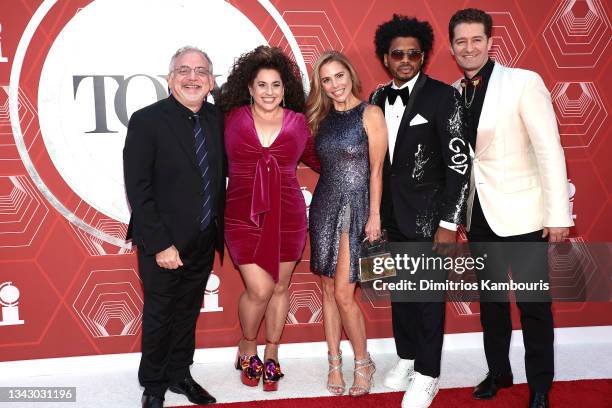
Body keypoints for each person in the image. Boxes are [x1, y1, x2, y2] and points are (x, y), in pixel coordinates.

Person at [448, 9, 573, 408]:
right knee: (492, 303)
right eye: (461, 41)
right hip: (478, 213)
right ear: (452, 47)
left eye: (476, 40)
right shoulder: (451, 91)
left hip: (524, 212)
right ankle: (498, 371)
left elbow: (549, 150)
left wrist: (557, 216)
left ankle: (540, 384)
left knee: (534, 305)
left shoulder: (522, 82)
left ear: (489, 42)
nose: (469, 47)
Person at [371, 15, 470, 408]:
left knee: (428, 298)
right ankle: (408, 358)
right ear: (385, 57)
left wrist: (449, 222)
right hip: (389, 215)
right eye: (398, 54)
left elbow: (460, 165)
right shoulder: (377, 98)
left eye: (414, 53)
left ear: (424, 55)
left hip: (431, 219)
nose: (406, 60)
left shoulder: (443, 96)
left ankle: (428, 375)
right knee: (402, 294)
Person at [124, 46, 225, 408]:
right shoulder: (146, 120)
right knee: (159, 314)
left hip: (204, 237)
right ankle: (153, 386)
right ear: (170, 79)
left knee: (187, 313)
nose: (192, 77)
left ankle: (180, 374)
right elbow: (139, 189)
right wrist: (161, 244)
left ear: (212, 81)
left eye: (201, 71)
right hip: (163, 242)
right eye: (183, 70)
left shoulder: (218, 118)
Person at [217, 46, 319, 392]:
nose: (269, 92)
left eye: (276, 85)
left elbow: (324, 161)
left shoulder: (299, 123)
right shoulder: (230, 120)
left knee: (279, 287)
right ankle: (248, 343)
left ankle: (273, 352)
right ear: (249, 87)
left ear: (285, 88)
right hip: (242, 215)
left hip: (288, 214)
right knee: (258, 289)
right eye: (262, 85)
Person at [306, 51, 388, 397]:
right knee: (327, 291)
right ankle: (334, 363)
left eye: (339, 76)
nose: (334, 85)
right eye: (326, 80)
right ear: (320, 85)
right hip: (324, 206)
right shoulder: (318, 118)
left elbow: (377, 171)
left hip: (356, 209)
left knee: (344, 292)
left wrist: (374, 215)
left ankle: (363, 361)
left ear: (350, 76)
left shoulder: (370, 113)